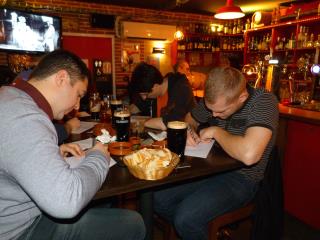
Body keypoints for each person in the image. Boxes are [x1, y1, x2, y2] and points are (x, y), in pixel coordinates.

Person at [0, 50, 145, 240]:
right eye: (78, 94)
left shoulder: (9, 96)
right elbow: (66, 202)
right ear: (61, 78)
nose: (77, 105)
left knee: (104, 203)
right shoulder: (26, 118)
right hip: (17, 232)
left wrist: (53, 151)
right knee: (133, 224)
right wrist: (99, 155)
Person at [154, 66, 279, 239]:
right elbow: (190, 119)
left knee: (186, 218)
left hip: (243, 179)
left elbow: (250, 155)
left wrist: (215, 131)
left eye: (220, 111)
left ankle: (192, 225)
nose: (214, 114)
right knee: (158, 198)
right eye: (210, 109)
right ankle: (203, 230)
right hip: (211, 169)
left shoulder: (263, 101)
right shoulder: (216, 100)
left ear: (241, 97)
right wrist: (189, 131)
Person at [129, 62, 196, 130]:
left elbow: (169, 123)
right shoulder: (153, 88)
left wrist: (140, 123)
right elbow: (136, 106)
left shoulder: (181, 88)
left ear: (155, 85)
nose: (144, 98)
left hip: (185, 136)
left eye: (146, 94)